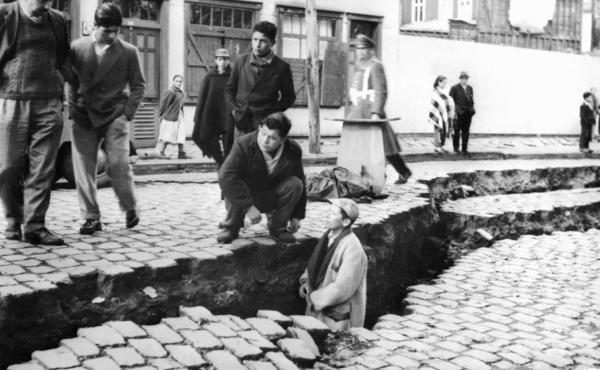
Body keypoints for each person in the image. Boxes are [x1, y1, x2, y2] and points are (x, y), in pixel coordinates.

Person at [68, 3, 145, 235]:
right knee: (84, 169)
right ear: (95, 26)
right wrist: (72, 108)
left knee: (119, 165)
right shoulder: (77, 47)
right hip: (83, 115)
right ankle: (91, 217)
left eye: (116, 31)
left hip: (115, 116)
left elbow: (139, 86)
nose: (112, 36)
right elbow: (70, 82)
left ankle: (130, 206)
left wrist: (127, 114)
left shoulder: (129, 51)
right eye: (106, 30)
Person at [0, 0, 73, 245]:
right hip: (12, 102)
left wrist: (60, 82)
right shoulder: (5, 14)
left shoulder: (59, 19)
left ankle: (35, 226)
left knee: (43, 169)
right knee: (8, 167)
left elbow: (65, 57)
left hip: (49, 103)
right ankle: (13, 219)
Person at [218, 112, 306, 244]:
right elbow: (226, 176)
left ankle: (278, 227)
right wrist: (248, 207)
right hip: (246, 194)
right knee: (234, 181)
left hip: (271, 195)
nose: (265, 140)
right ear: (259, 128)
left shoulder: (293, 149)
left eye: (272, 138)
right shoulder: (244, 143)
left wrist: (296, 216)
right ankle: (230, 226)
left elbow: (301, 180)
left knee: (295, 183)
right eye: (263, 134)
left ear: (283, 139)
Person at [348, 34, 412, 184]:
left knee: (383, 147)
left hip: (371, 113)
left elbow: (381, 91)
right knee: (367, 147)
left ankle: (397, 172)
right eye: (358, 48)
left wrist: (376, 112)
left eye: (364, 48)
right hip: (359, 113)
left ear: (370, 50)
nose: (360, 52)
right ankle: (374, 176)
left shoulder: (376, 66)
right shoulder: (359, 67)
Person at [299, 198, 367, 331]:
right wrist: (306, 281)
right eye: (328, 211)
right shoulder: (327, 237)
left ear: (346, 221)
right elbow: (315, 264)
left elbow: (342, 288)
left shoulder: (353, 249)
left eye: (333, 214)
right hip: (317, 306)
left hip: (336, 317)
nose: (327, 215)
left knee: (331, 347)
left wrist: (313, 298)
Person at [225, 21, 295, 140]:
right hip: (241, 122)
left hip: (266, 126)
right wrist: (234, 110)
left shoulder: (282, 67)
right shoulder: (240, 61)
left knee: (261, 157)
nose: (257, 45)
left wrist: (271, 113)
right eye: (255, 39)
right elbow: (229, 89)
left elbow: (289, 97)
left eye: (263, 41)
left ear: (272, 43)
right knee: (241, 155)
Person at [192, 48, 233, 166]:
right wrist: (199, 116)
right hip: (212, 114)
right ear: (216, 60)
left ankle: (227, 166)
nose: (223, 62)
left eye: (225, 59)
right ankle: (220, 162)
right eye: (220, 59)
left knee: (229, 142)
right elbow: (203, 98)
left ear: (229, 61)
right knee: (210, 139)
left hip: (228, 115)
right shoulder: (210, 76)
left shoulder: (233, 75)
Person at [157, 75, 186, 159]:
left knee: (181, 134)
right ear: (173, 81)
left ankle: (181, 153)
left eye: (180, 81)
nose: (179, 83)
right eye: (177, 81)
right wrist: (161, 115)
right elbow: (163, 104)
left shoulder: (181, 92)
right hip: (170, 117)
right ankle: (161, 152)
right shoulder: (170, 92)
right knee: (167, 135)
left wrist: (182, 115)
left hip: (179, 116)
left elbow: (181, 106)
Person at [449, 71, 475, 154]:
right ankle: (456, 148)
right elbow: (451, 101)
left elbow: (471, 100)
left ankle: (464, 148)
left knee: (466, 131)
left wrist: (472, 110)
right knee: (456, 131)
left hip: (468, 113)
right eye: (462, 78)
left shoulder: (470, 88)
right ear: (460, 79)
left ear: (467, 79)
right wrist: (456, 111)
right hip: (458, 113)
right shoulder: (454, 88)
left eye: (465, 78)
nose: (464, 80)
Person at [429, 75, 452, 153]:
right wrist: (440, 110)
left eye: (446, 83)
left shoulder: (441, 91)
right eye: (444, 83)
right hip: (437, 113)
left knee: (443, 130)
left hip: (442, 114)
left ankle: (441, 146)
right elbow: (433, 103)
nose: (445, 85)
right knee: (437, 130)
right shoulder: (435, 92)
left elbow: (445, 102)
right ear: (439, 82)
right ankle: (437, 147)